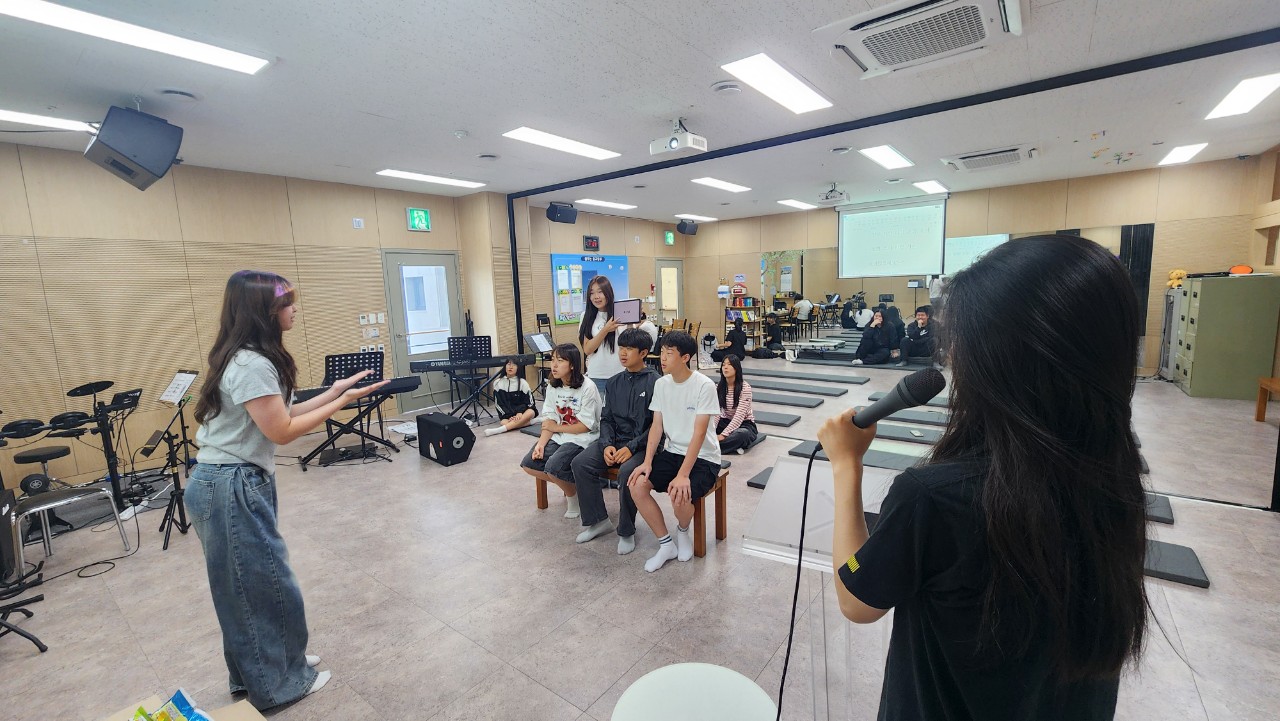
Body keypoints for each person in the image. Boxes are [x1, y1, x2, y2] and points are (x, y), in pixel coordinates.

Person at [818, 235, 1148, 720]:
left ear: (1001, 357)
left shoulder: (934, 497)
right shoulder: (1115, 481)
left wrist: (845, 465)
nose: (953, 357)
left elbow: (857, 601)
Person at [189, 270, 388, 709]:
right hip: (229, 485)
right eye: (286, 302)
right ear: (263, 310)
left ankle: (272, 664)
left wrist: (336, 392)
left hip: (231, 482)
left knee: (247, 586)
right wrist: (341, 403)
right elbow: (282, 431)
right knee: (264, 585)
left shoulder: (248, 357)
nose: (294, 309)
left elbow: (285, 412)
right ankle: (277, 682)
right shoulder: (252, 364)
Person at [623, 331, 721, 571]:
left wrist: (683, 474)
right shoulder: (661, 384)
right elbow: (657, 426)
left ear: (685, 357)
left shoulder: (704, 385)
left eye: (669, 353)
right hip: (672, 452)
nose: (663, 358)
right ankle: (666, 544)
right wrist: (647, 462)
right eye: (662, 352)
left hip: (704, 457)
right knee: (636, 484)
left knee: (680, 494)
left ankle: (683, 531)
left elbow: (699, 433)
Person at [569, 328, 660, 547]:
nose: (623, 353)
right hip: (615, 441)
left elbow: (658, 426)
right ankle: (598, 521)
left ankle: (626, 530)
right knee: (580, 463)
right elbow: (607, 418)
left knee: (627, 472)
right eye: (621, 348)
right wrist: (607, 445)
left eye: (629, 349)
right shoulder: (613, 382)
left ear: (643, 353)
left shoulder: (657, 382)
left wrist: (631, 447)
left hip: (643, 446)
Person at [521, 343, 601, 519]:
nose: (554, 365)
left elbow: (585, 426)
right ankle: (575, 488)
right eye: (552, 360)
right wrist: (541, 444)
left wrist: (555, 428)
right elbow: (549, 419)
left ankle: (573, 498)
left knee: (554, 467)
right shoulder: (553, 386)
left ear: (572, 364)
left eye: (560, 360)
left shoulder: (587, 387)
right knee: (529, 463)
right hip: (560, 436)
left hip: (583, 438)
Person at [579, 275, 623, 396]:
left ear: (608, 293)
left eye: (600, 292)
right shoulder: (586, 316)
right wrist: (605, 330)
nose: (596, 297)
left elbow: (630, 344)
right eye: (592, 293)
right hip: (597, 376)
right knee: (598, 408)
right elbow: (587, 349)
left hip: (621, 374)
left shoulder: (620, 313)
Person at [716, 355, 758, 455]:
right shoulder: (719, 387)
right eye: (723, 365)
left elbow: (739, 416)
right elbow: (716, 413)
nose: (725, 367)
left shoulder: (745, 388)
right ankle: (729, 446)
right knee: (702, 426)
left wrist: (722, 435)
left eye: (729, 364)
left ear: (736, 368)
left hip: (744, 424)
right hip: (725, 422)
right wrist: (710, 430)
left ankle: (710, 447)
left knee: (742, 435)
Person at [484, 357, 535, 436]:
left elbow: (530, 403)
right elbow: (498, 404)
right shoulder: (498, 383)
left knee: (531, 412)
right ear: (505, 366)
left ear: (518, 368)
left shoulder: (523, 383)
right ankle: (531, 422)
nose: (510, 367)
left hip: (522, 413)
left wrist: (520, 413)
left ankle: (498, 430)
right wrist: (510, 416)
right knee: (503, 422)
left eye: (514, 365)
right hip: (507, 414)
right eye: (508, 364)